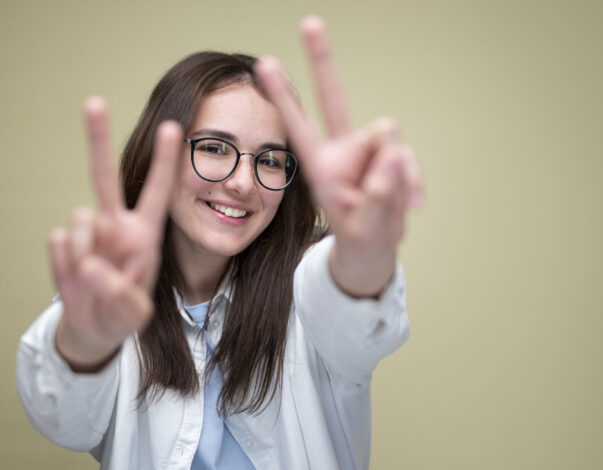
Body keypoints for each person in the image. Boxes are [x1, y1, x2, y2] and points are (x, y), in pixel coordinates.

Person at [16, 16, 421, 470]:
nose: (244, 183)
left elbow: (351, 313)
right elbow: (62, 419)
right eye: (213, 148)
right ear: (159, 157)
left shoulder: (308, 286)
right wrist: (86, 345)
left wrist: (363, 256)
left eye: (269, 159)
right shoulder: (108, 294)